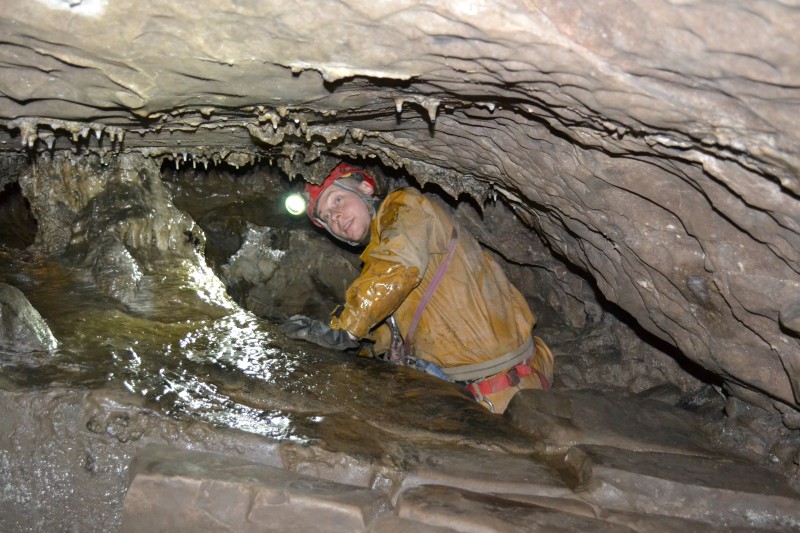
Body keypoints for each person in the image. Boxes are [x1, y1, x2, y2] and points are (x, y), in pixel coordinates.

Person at [280, 162, 554, 414]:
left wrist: (345, 330)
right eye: (327, 218)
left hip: (503, 393)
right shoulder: (380, 262)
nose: (336, 218)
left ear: (365, 187)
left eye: (337, 200)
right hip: (475, 391)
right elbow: (390, 325)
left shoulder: (405, 205)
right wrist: (343, 341)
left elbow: (398, 265)